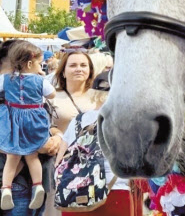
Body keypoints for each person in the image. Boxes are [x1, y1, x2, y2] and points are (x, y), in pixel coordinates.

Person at [55, 71, 142, 216]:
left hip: (77, 195)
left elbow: (60, 161)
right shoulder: (130, 123)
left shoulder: (78, 120)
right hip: (116, 192)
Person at [0, 40, 63, 216]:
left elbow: (49, 125)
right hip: (16, 181)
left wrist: (56, 137)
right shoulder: (12, 91)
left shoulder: (15, 90)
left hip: (27, 180)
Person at [46, 51, 97, 216]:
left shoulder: (100, 97)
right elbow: (42, 125)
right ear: (63, 70)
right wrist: (56, 133)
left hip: (93, 165)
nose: (79, 69)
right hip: (60, 164)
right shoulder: (52, 97)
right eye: (73, 65)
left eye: (83, 65)